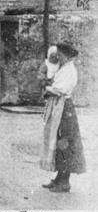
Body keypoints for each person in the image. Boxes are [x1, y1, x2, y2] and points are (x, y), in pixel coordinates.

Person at [40, 42, 86, 193]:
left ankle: (65, 182)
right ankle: (60, 178)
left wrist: (47, 89)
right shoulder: (63, 68)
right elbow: (52, 80)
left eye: (59, 53)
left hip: (65, 109)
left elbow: (59, 89)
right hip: (59, 106)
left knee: (64, 142)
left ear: (65, 55)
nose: (57, 56)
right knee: (57, 140)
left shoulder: (70, 70)